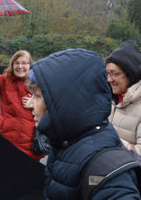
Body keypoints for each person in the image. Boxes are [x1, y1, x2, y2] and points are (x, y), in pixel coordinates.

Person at [26, 48, 140, 199]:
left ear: (64, 103)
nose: (30, 104)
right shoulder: (65, 142)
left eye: (38, 96)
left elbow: (105, 184)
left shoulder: (103, 174)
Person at [0, 42, 42, 159]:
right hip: (5, 143)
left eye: (24, 63)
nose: (20, 66)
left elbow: (51, 108)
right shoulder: (5, 80)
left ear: (30, 65)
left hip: (29, 149)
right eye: (17, 63)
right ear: (12, 65)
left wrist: (35, 103)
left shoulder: (39, 84)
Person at [106, 40, 141, 154]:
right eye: (107, 73)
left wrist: (105, 138)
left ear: (130, 74)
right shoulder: (110, 99)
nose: (109, 79)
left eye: (114, 73)